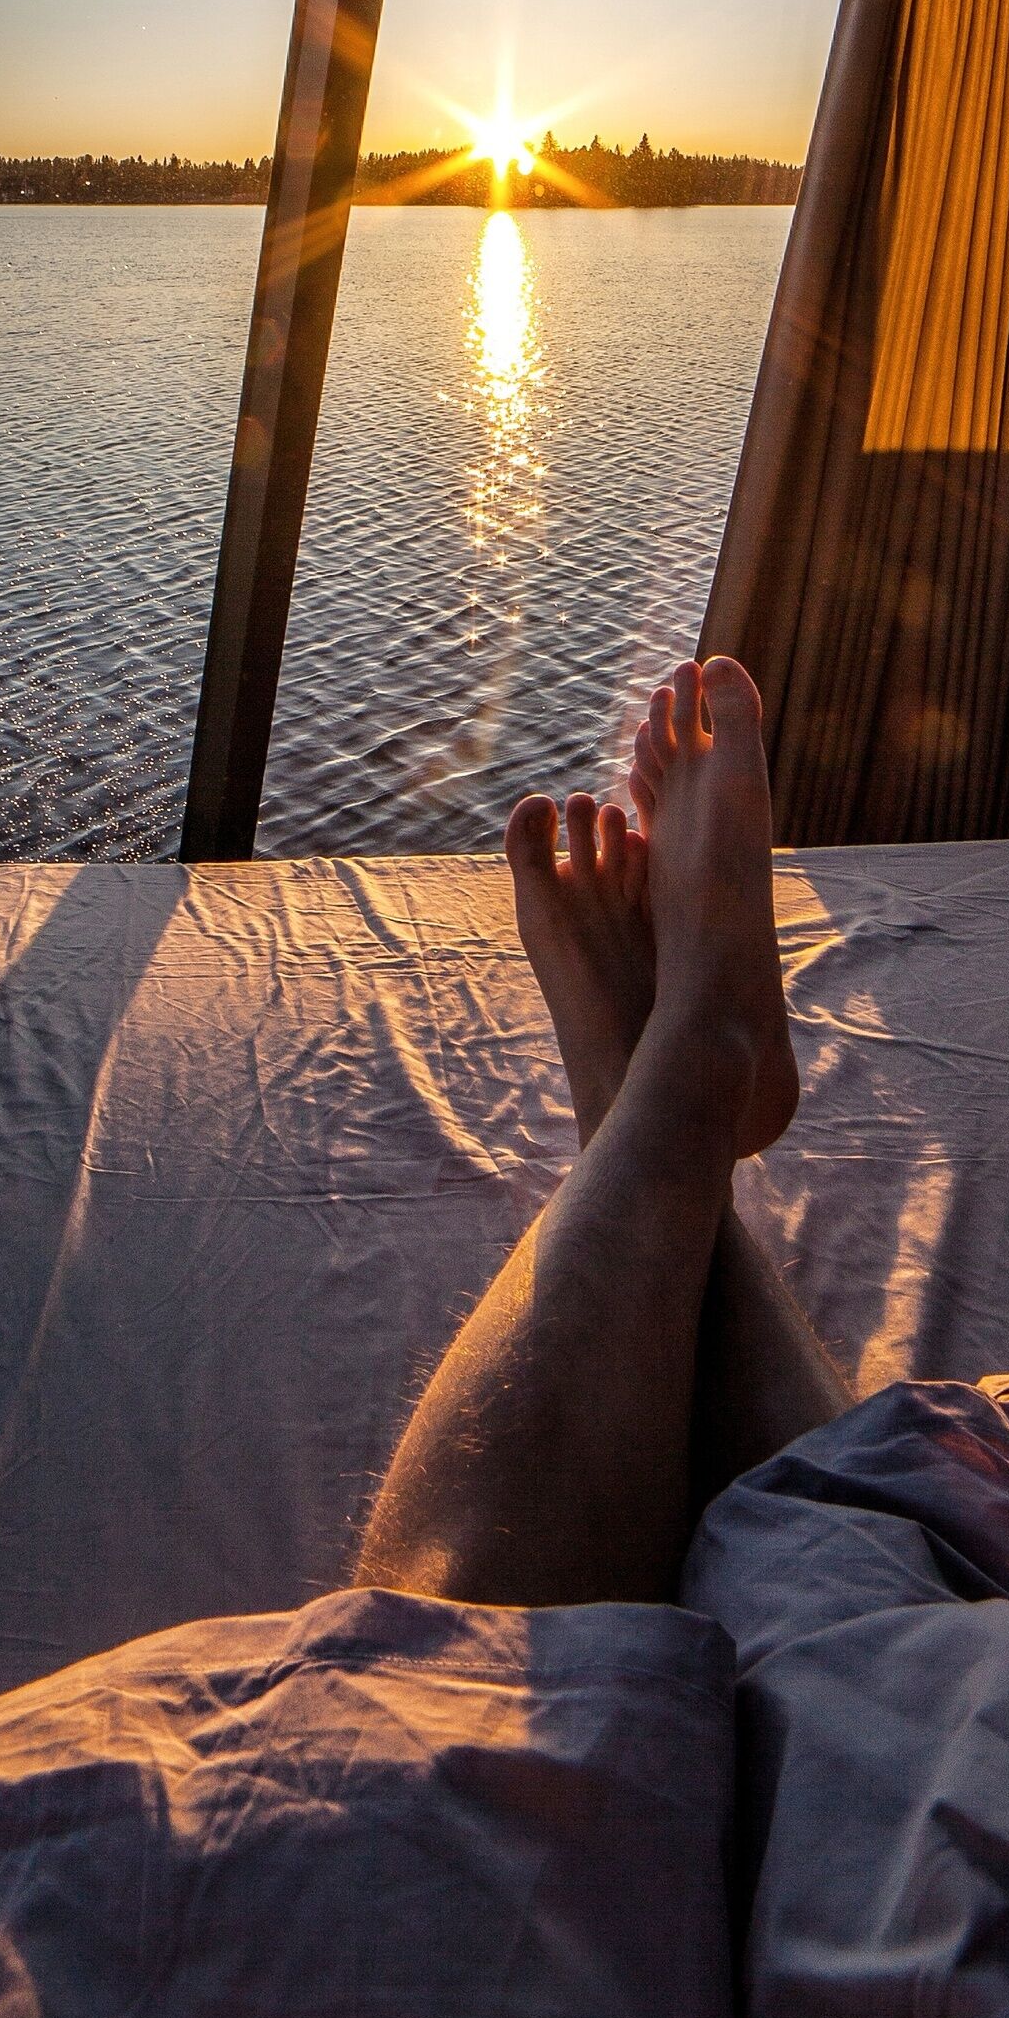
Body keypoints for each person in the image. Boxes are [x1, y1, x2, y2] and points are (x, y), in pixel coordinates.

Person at [358, 654, 852, 1607]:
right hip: (924, 1724)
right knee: (868, 1613)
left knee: (459, 1645)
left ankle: (648, 1079)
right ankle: (689, 1054)